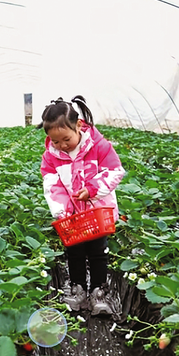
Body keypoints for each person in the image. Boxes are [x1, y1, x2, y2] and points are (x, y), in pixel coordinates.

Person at [39, 96, 125, 316]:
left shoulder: (99, 146)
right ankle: (78, 291)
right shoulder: (50, 157)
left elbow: (115, 171)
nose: (62, 145)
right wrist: (62, 210)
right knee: (74, 252)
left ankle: (98, 293)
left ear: (78, 126)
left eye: (66, 139)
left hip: (98, 212)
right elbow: (52, 184)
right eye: (55, 141)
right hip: (72, 216)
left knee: (98, 253)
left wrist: (92, 190)